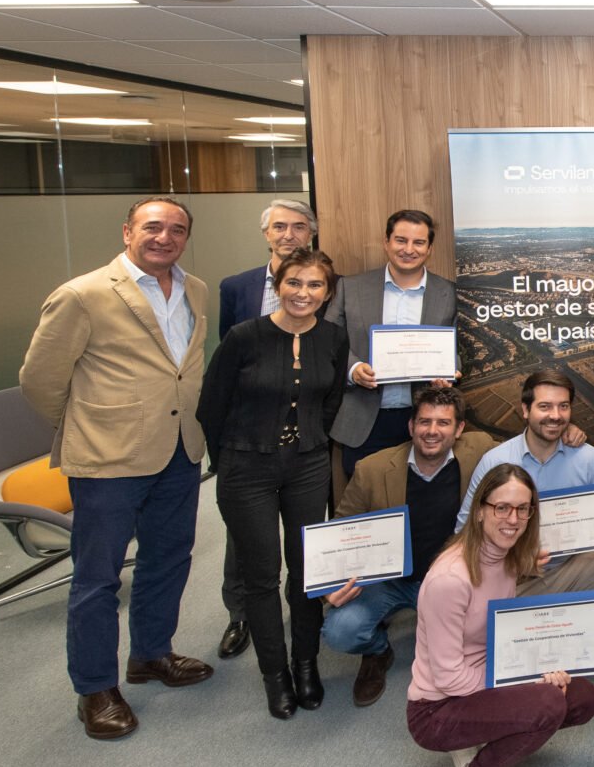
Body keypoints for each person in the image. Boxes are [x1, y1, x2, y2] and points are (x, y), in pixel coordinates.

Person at [20, 196, 215, 740]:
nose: (165, 237)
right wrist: (90, 426)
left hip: (179, 449)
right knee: (98, 578)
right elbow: (39, 380)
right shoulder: (82, 294)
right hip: (108, 459)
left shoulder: (195, 289)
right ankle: (95, 688)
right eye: (153, 227)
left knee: (168, 558)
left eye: (177, 229)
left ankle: (151, 653)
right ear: (127, 231)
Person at [198, 248, 349, 719]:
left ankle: (305, 664)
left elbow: (332, 400)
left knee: (306, 570)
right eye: (294, 282)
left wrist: (313, 440)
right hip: (246, 467)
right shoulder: (245, 336)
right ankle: (275, 673)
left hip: (307, 466)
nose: (304, 293)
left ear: (327, 292)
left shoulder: (333, 337)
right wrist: (230, 459)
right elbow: (211, 405)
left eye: (315, 285)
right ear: (279, 286)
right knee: (262, 576)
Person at [408, 464, 594, 767]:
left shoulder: (506, 556)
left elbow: (504, 633)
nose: (513, 519)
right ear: (480, 511)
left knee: (582, 698)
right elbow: (449, 677)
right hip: (435, 709)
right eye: (502, 508)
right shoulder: (449, 580)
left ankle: (479, 736)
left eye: (523, 509)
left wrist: (539, 669)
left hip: (485, 677)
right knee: (548, 703)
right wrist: (526, 681)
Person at [320, 386, 494, 707]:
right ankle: (377, 651)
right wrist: (330, 586)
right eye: (424, 422)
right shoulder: (372, 469)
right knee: (340, 631)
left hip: (449, 579)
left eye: (443, 423)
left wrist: (567, 434)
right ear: (411, 426)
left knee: (484, 631)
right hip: (390, 581)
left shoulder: (480, 451)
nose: (432, 431)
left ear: (459, 429)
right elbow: (339, 532)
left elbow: (528, 447)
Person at [215, 197, 319, 660]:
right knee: (245, 536)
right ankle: (240, 614)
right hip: (248, 435)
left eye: (298, 226)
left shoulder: (323, 283)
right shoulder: (235, 287)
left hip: (305, 438)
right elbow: (223, 367)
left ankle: (304, 616)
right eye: (279, 226)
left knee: (303, 538)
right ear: (266, 233)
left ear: (310, 233)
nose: (288, 235)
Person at [457, 369, 594, 598]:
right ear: (525, 410)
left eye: (563, 406)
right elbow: (465, 528)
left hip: (571, 567)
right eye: (545, 406)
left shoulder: (587, 459)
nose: (555, 415)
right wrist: (510, 563)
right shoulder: (495, 461)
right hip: (511, 575)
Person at [326, 209, 458, 479]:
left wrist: (449, 370)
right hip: (363, 421)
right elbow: (326, 340)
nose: (409, 249)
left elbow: (458, 347)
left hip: (425, 420)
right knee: (368, 500)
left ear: (429, 249)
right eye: (401, 240)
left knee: (423, 498)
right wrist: (353, 369)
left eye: (418, 242)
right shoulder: (351, 288)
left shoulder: (449, 293)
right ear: (386, 242)